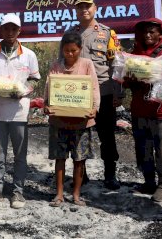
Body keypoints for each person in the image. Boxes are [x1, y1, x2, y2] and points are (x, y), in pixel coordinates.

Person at [0, 13, 40, 209]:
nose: (10, 32)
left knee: (20, 154)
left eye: (14, 29)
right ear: (1, 30)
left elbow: (34, 78)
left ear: (19, 31)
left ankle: (18, 192)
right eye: (6, 28)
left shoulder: (29, 55)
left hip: (19, 111)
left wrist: (23, 91)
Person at [65, 0, 122, 190]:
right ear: (76, 10)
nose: (84, 10)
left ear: (95, 8)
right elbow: (63, 63)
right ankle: (82, 174)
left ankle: (110, 174)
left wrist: (117, 92)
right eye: (80, 7)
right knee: (79, 134)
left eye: (87, 6)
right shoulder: (70, 34)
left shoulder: (107, 33)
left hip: (104, 91)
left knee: (107, 135)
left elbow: (116, 65)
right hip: (79, 93)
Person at [43, 32, 100, 207]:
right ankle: (59, 194)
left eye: (74, 51)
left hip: (82, 122)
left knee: (79, 159)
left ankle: (76, 194)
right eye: (67, 51)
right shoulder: (55, 66)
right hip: (59, 121)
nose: (70, 54)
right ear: (62, 50)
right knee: (60, 158)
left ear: (80, 49)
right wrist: (46, 105)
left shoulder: (87, 64)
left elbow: (95, 89)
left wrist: (94, 108)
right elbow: (48, 88)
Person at [125, 18, 162, 201]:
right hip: (139, 110)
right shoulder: (134, 54)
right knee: (143, 147)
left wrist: (160, 80)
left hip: (160, 111)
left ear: (160, 34)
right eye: (145, 31)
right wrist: (130, 77)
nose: (148, 35)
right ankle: (148, 181)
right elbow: (126, 82)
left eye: (152, 32)